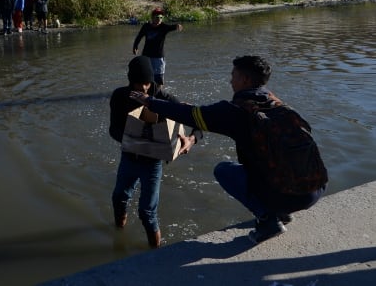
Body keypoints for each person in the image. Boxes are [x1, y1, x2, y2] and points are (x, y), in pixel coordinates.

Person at [129, 55, 327, 244]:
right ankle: (282, 212)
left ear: (245, 79)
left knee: (225, 170)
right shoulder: (275, 103)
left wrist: (150, 102)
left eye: (234, 76)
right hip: (315, 189)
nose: (230, 81)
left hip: (286, 195)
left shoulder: (237, 111)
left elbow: (191, 115)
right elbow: (198, 114)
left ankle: (268, 220)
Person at [110, 56, 198, 248]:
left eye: (147, 83)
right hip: (129, 156)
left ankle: (155, 253)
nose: (143, 88)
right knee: (119, 198)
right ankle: (118, 237)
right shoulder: (119, 96)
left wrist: (191, 139)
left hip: (152, 163)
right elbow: (113, 129)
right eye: (138, 83)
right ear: (130, 81)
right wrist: (130, 139)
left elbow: (197, 119)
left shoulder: (163, 98)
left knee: (147, 212)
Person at [132, 8, 183, 88]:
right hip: (146, 56)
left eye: (161, 18)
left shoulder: (163, 27)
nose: (159, 19)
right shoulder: (146, 26)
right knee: (146, 76)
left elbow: (172, 27)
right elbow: (139, 36)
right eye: (157, 17)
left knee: (159, 79)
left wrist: (177, 26)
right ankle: (146, 93)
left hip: (158, 57)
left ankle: (159, 94)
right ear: (152, 18)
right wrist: (135, 46)